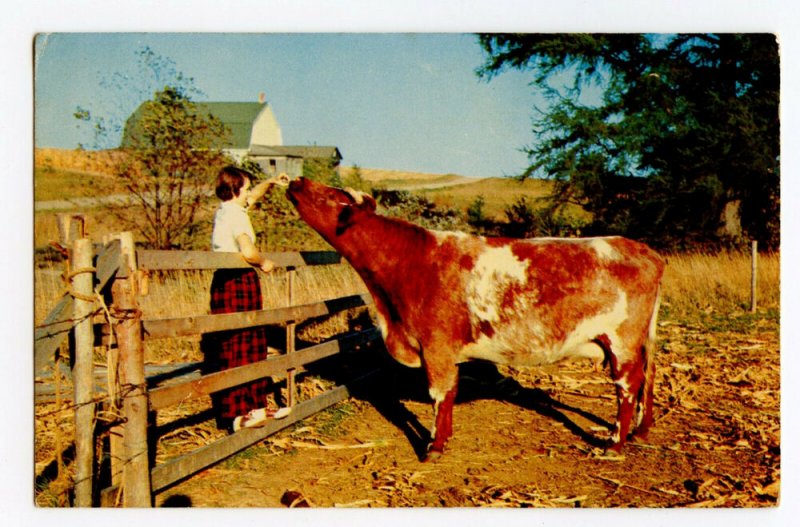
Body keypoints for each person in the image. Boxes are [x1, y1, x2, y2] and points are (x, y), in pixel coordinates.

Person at [202, 165, 290, 433]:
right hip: (238, 280)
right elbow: (248, 251)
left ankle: (255, 408)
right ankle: (238, 414)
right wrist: (264, 263)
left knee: (241, 343)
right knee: (243, 344)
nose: (250, 192)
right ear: (236, 189)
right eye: (247, 187)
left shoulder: (227, 210)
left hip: (225, 280)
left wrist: (271, 182)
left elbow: (253, 198)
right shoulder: (237, 217)